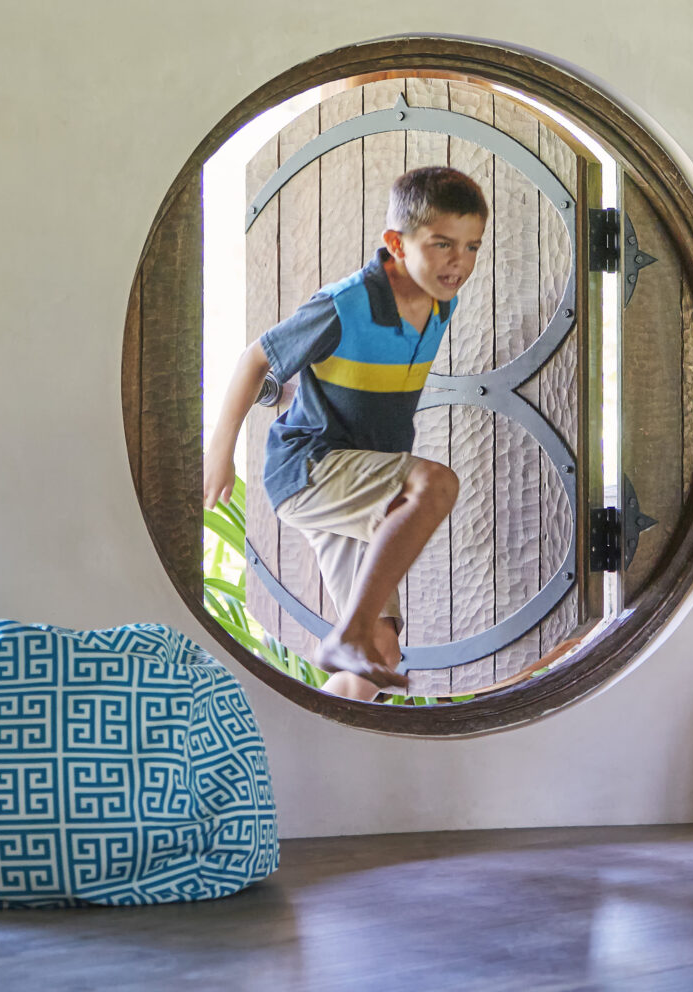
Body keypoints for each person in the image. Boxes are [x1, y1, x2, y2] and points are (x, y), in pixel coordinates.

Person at [203, 163, 487, 700]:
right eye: (443, 244)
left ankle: (300, 745)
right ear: (396, 244)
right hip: (311, 469)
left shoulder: (441, 300)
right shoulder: (345, 304)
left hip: (358, 482)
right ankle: (348, 632)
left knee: (379, 658)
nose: (459, 262)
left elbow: (341, 377)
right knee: (435, 485)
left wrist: (302, 391)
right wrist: (221, 454)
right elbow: (255, 359)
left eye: (472, 247)